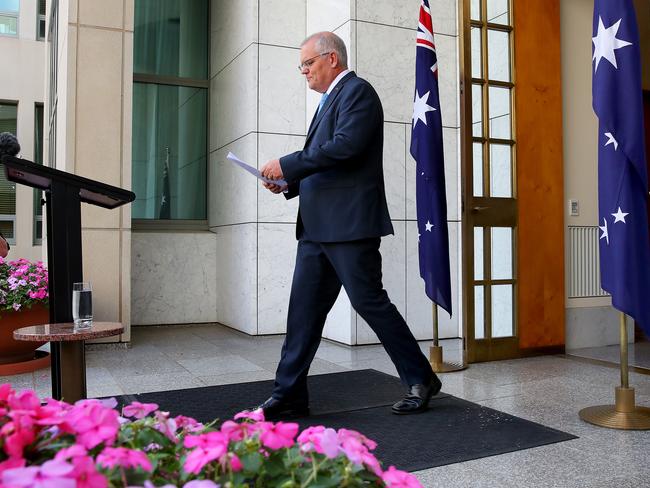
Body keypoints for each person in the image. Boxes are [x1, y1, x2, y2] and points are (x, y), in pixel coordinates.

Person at [257, 32, 441, 419]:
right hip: (315, 228)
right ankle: (289, 394)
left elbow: (344, 147)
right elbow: (324, 163)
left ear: (332, 59)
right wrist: (288, 184)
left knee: (369, 302)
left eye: (308, 63)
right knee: (302, 312)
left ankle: (421, 378)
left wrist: (287, 165)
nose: (303, 71)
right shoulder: (328, 101)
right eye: (301, 66)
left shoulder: (358, 92)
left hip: (349, 225)